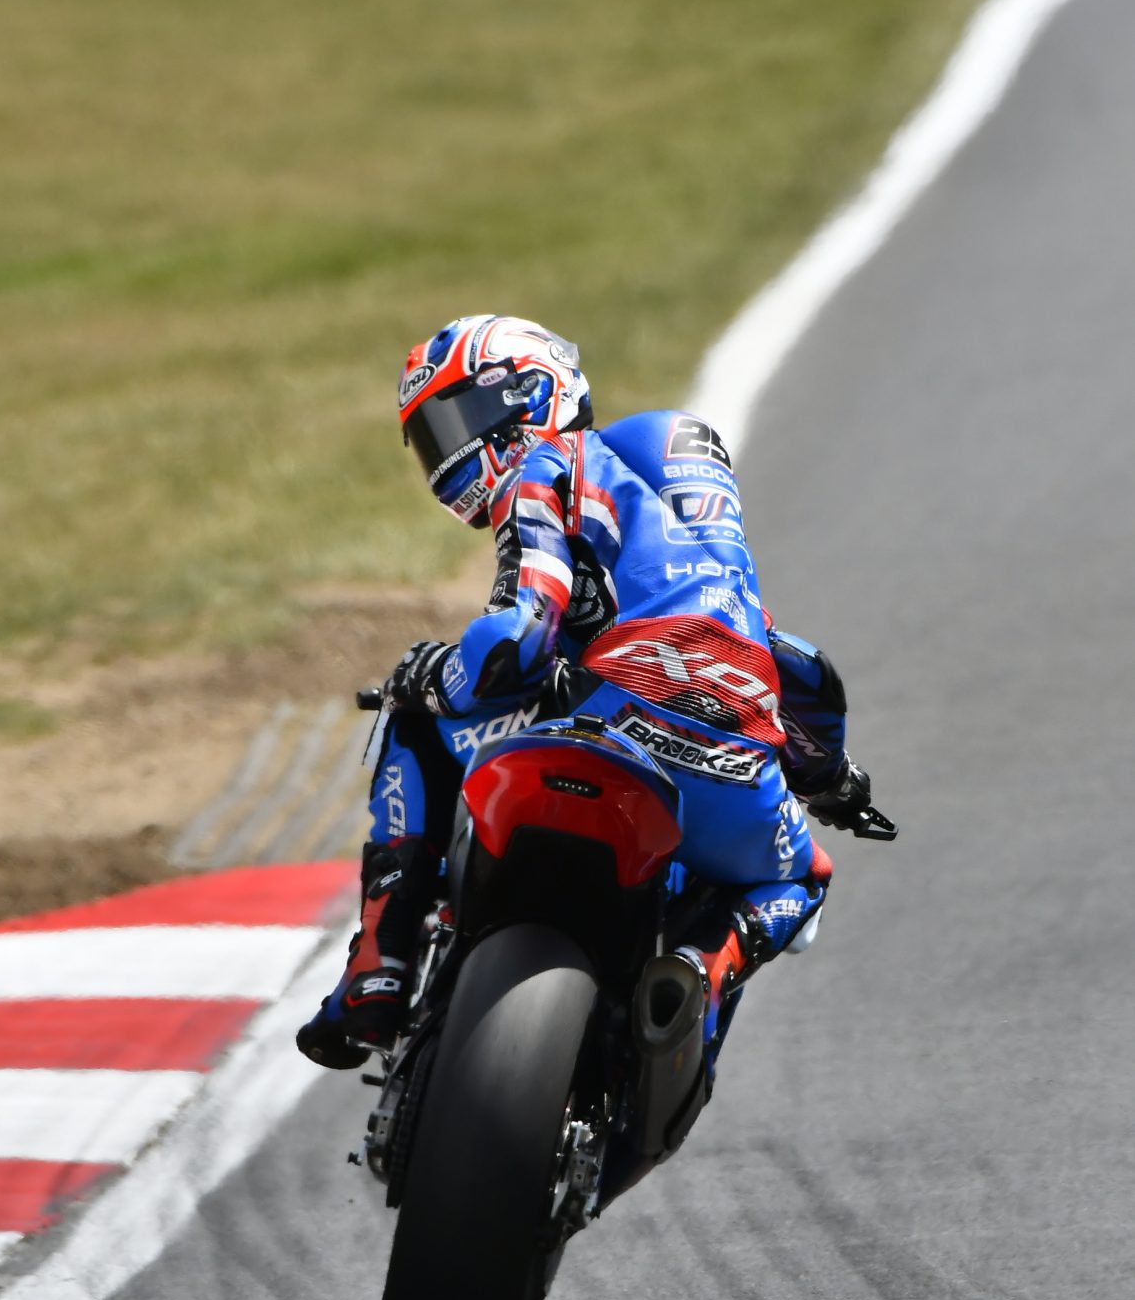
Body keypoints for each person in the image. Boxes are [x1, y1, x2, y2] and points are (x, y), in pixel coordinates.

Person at [297, 314, 877, 1082]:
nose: (452, 451)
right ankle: (701, 971)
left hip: (604, 724)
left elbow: (517, 638)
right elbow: (804, 675)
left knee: (414, 711)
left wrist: (432, 676)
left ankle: (377, 968)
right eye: (435, 435)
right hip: (733, 768)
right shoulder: (712, 576)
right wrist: (833, 782)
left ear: (533, 394)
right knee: (802, 879)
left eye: (462, 418)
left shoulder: (546, 469)